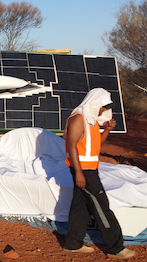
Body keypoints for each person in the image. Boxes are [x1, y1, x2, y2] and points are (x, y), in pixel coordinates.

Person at [63, 88, 135, 259]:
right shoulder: (78, 119)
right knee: (102, 206)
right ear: (94, 102)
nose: (104, 110)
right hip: (83, 170)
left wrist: (107, 129)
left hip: (89, 168)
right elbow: (72, 145)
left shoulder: (91, 121)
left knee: (81, 206)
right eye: (103, 106)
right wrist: (79, 173)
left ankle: (73, 244)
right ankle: (115, 248)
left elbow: (97, 145)